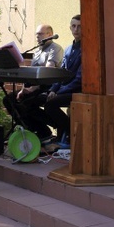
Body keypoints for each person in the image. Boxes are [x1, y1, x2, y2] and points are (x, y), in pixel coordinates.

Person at [24, 15, 81, 147]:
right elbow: (60, 74)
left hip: (77, 90)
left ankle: (71, 133)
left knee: (50, 104)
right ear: (70, 28)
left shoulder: (86, 49)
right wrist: (53, 90)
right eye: (73, 26)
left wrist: (59, 91)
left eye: (79, 26)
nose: (76, 29)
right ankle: (51, 132)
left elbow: (79, 79)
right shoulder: (68, 49)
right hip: (63, 89)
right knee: (29, 101)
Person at [2, 24, 64, 140]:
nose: (37, 37)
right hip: (34, 87)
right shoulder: (37, 51)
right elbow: (31, 75)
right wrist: (23, 89)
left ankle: (52, 127)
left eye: (40, 34)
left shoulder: (55, 49)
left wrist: (32, 89)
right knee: (9, 100)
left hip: (48, 87)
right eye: (36, 35)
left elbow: (47, 73)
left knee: (27, 102)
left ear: (49, 35)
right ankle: (34, 130)